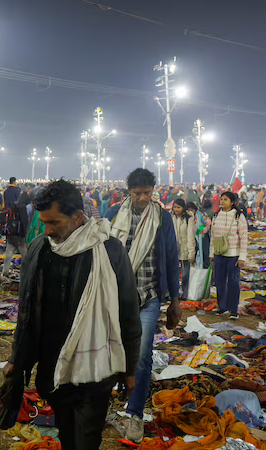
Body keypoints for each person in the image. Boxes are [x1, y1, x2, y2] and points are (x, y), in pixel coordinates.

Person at [1, 179, 141, 450]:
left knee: (86, 437)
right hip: (52, 365)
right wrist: (16, 359)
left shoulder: (109, 251)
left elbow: (128, 313)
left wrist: (130, 368)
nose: (47, 230)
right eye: (43, 222)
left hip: (96, 368)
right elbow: (27, 311)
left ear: (77, 217)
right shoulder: (40, 249)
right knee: (66, 431)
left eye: (54, 222)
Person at [105, 168, 181, 443]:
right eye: (137, 193)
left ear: (153, 191)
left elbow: (172, 258)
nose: (142, 198)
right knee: (110, 349)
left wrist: (175, 299)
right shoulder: (115, 214)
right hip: (115, 297)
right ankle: (108, 399)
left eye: (147, 193)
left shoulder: (162, 218)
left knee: (142, 355)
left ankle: (135, 414)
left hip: (148, 296)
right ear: (129, 192)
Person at [209, 192, 248, 320]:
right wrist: (211, 253)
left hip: (233, 255)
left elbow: (244, 237)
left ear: (232, 202)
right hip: (219, 254)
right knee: (219, 281)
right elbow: (213, 237)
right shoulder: (216, 215)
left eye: (225, 199)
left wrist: (242, 257)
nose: (222, 201)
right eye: (221, 199)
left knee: (233, 282)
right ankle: (222, 307)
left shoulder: (238, 216)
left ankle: (233, 310)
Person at [172, 199, 195, 299]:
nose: (176, 209)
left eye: (178, 207)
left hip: (185, 248)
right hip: (174, 249)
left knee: (185, 274)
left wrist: (191, 253)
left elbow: (190, 236)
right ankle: (174, 293)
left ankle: (184, 294)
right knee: (173, 273)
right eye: (175, 207)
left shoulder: (188, 218)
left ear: (183, 208)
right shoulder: (170, 217)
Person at [187, 202, 210, 268]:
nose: (190, 212)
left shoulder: (200, 215)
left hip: (202, 238)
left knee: (205, 254)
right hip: (192, 238)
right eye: (189, 210)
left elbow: (207, 225)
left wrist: (203, 230)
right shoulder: (188, 217)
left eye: (192, 210)